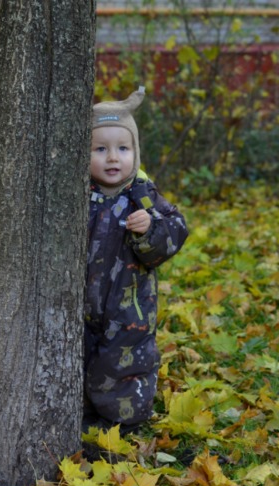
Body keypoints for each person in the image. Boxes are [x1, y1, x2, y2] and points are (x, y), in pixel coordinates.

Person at [84, 87, 188, 435]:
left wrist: (150, 229)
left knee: (124, 364)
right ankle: (84, 418)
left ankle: (125, 425)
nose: (113, 158)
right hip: (80, 305)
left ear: (136, 152)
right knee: (82, 360)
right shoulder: (78, 194)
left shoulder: (142, 195)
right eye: (100, 149)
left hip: (130, 309)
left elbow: (176, 230)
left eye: (123, 149)